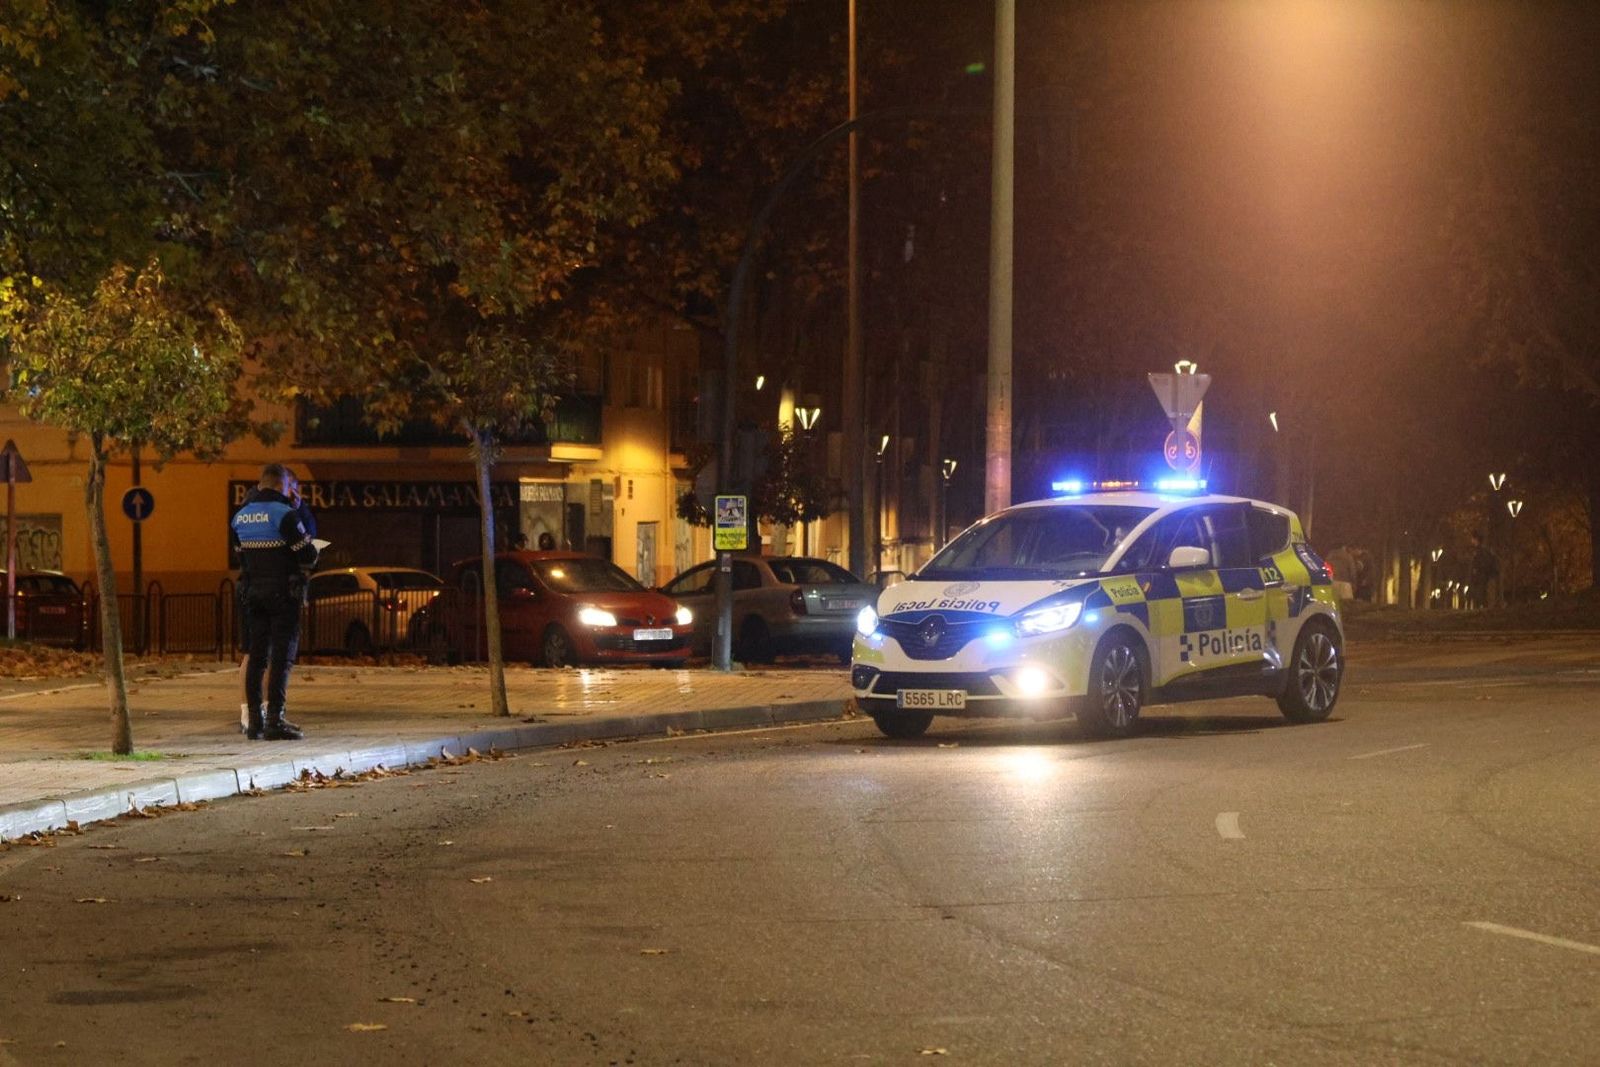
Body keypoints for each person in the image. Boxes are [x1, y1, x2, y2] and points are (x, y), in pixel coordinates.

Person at [231, 464, 319, 740]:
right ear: (283, 486)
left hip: (253, 593)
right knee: (282, 657)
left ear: (260, 485)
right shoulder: (285, 515)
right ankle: (275, 720)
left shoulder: (240, 517)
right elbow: (308, 555)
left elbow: (240, 556)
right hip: (283, 593)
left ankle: (254, 721)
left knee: (256, 656)